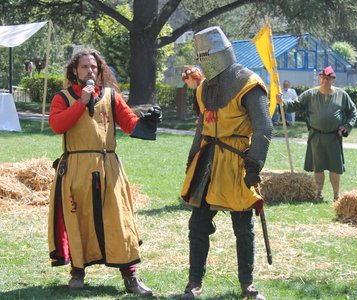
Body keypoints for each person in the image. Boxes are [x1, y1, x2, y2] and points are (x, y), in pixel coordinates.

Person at [47, 49, 161, 296]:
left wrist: (148, 121)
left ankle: (130, 276)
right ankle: (77, 272)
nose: (91, 71)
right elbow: (57, 125)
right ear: (74, 71)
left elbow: (130, 124)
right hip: (76, 168)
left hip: (108, 167)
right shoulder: (63, 98)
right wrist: (81, 104)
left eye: (94, 67)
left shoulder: (111, 96)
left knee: (118, 220)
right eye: (85, 67)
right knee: (79, 219)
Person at [180, 26, 272, 300]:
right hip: (207, 161)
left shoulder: (248, 83)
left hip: (236, 162)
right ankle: (194, 283)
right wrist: (192, 159)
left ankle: (248, 284)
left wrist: (254, 166)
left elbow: (264, 128)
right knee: (197, 225)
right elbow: (202, 127)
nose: (203, 60)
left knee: (243, 227)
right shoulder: (204, 88)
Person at [277, 66, 357, 201]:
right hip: (316, 136)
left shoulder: (342, 95)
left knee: (335, 168)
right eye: (323, 78)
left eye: (328, 78)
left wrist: (347, 126)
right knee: (318, 167)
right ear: (320, 78)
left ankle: (336, 195)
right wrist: (282, 103)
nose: (325, 80)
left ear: (333, 79)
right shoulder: (310, 94)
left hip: (334, 137)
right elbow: (295, 104)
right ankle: (318, 193)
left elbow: (352, 112)